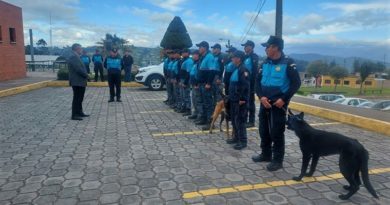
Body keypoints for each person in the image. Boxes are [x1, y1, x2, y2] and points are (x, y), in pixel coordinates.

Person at [252, 35, 301, 171]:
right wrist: (261, 97)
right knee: (263, 130)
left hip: (278, 104)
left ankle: (277, 160)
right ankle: (266, 154)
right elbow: (257, 82)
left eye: (267, 47)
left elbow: (296, 83)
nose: (266, 50)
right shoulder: (265, 63)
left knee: (277, 132)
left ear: (276, 47)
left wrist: (284, 99)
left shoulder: (288, 63)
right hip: (264, 102)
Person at [228, 50, 250, 150]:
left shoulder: (243, 69)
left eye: (233, 57)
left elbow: (245, 86)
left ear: (239, 58)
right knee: (234, 119)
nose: (232, 59)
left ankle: (243, 141)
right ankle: (236, 138)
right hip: (233, 99)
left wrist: (242, 99)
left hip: (239, 100)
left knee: (240, 120)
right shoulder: (237, 68)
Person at [195, 41, 216, 126]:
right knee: (202, 102)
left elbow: (212, 71)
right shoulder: (202, 57)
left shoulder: (209, 57)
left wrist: (209, 83)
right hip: (201, 83)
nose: (199, 49)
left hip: (206, 84)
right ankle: (203, 119)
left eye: (200, 47)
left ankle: (210, 122)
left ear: (205, 48)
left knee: (208, 104)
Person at [67, 43, 89, 120]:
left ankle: (79, 112)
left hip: (80, 81)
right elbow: (78, 69)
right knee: (77, 98)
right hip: (77, 81)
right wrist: (87, 75)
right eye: (80, 48)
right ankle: (74, 115)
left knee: (80, 98)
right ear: (76, 49)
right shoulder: (73, 57)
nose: (82, 50)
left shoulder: (76, 56)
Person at [241, 40, 259, 128]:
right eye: (244, 46)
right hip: (243, 83)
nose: (244, 48)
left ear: (251, 47)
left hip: (250, 84)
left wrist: (253, 85)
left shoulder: (254, 57)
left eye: (246, 46)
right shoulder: (244, 57)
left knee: (251, 103)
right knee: (244, 102)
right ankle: (245, 118)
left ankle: (251, 121)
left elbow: (255, 72)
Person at [179, 48, 193, 115]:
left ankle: (188, 109)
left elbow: (188, 73)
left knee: (186, 95)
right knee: (183, 95)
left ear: (187, 53)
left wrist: (185, 82)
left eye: (184, 52)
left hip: (185, 80)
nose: (182, 54)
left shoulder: (189, 61)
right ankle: (184, 107)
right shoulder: (184, 60)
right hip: (182, 79)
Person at [188, 50, 201, 120]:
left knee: (198, 101)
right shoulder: (194, 63)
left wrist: (196, 83)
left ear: (197, 55)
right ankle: (195, 113)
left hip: (197, 85)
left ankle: (199, 115)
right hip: (193, 84)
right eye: (192, 54)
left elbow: (199, 75)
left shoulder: (199, 63)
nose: (193, 56)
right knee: (193, 100)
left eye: (194, 54)